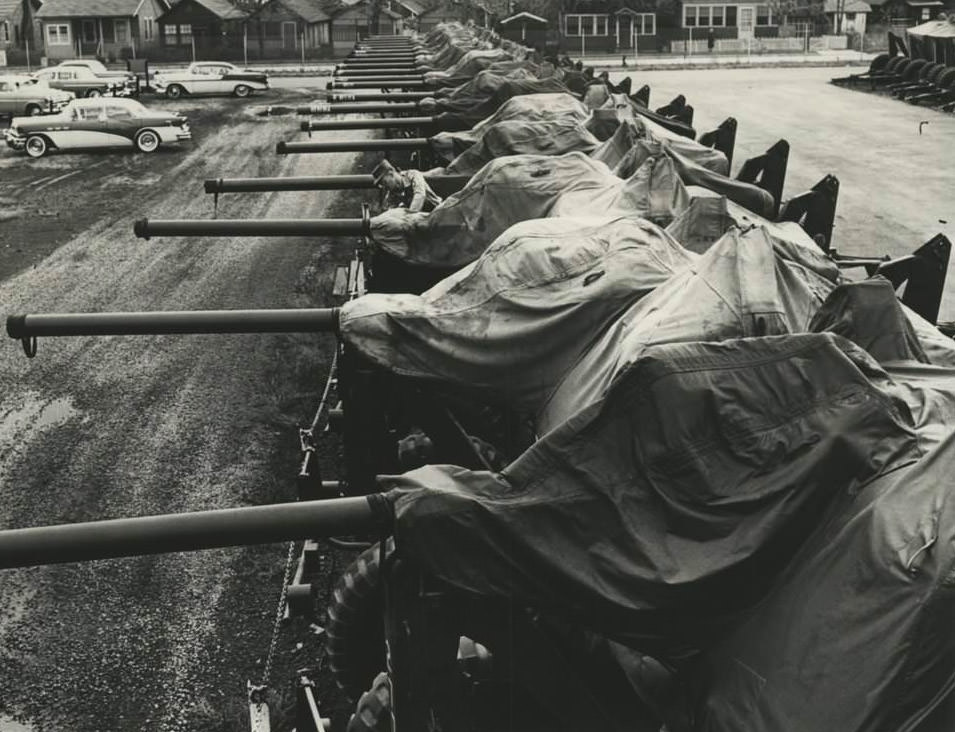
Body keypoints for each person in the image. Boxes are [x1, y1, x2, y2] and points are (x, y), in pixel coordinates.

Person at [372, 160, 443, 213]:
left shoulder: (412, 175)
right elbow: (390, 212)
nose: (384, 187)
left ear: (391, 174)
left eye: (384, 182)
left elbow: (420, 195)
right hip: (421, 219)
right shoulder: (391, 195)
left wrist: (409, 217)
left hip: (437, 212)